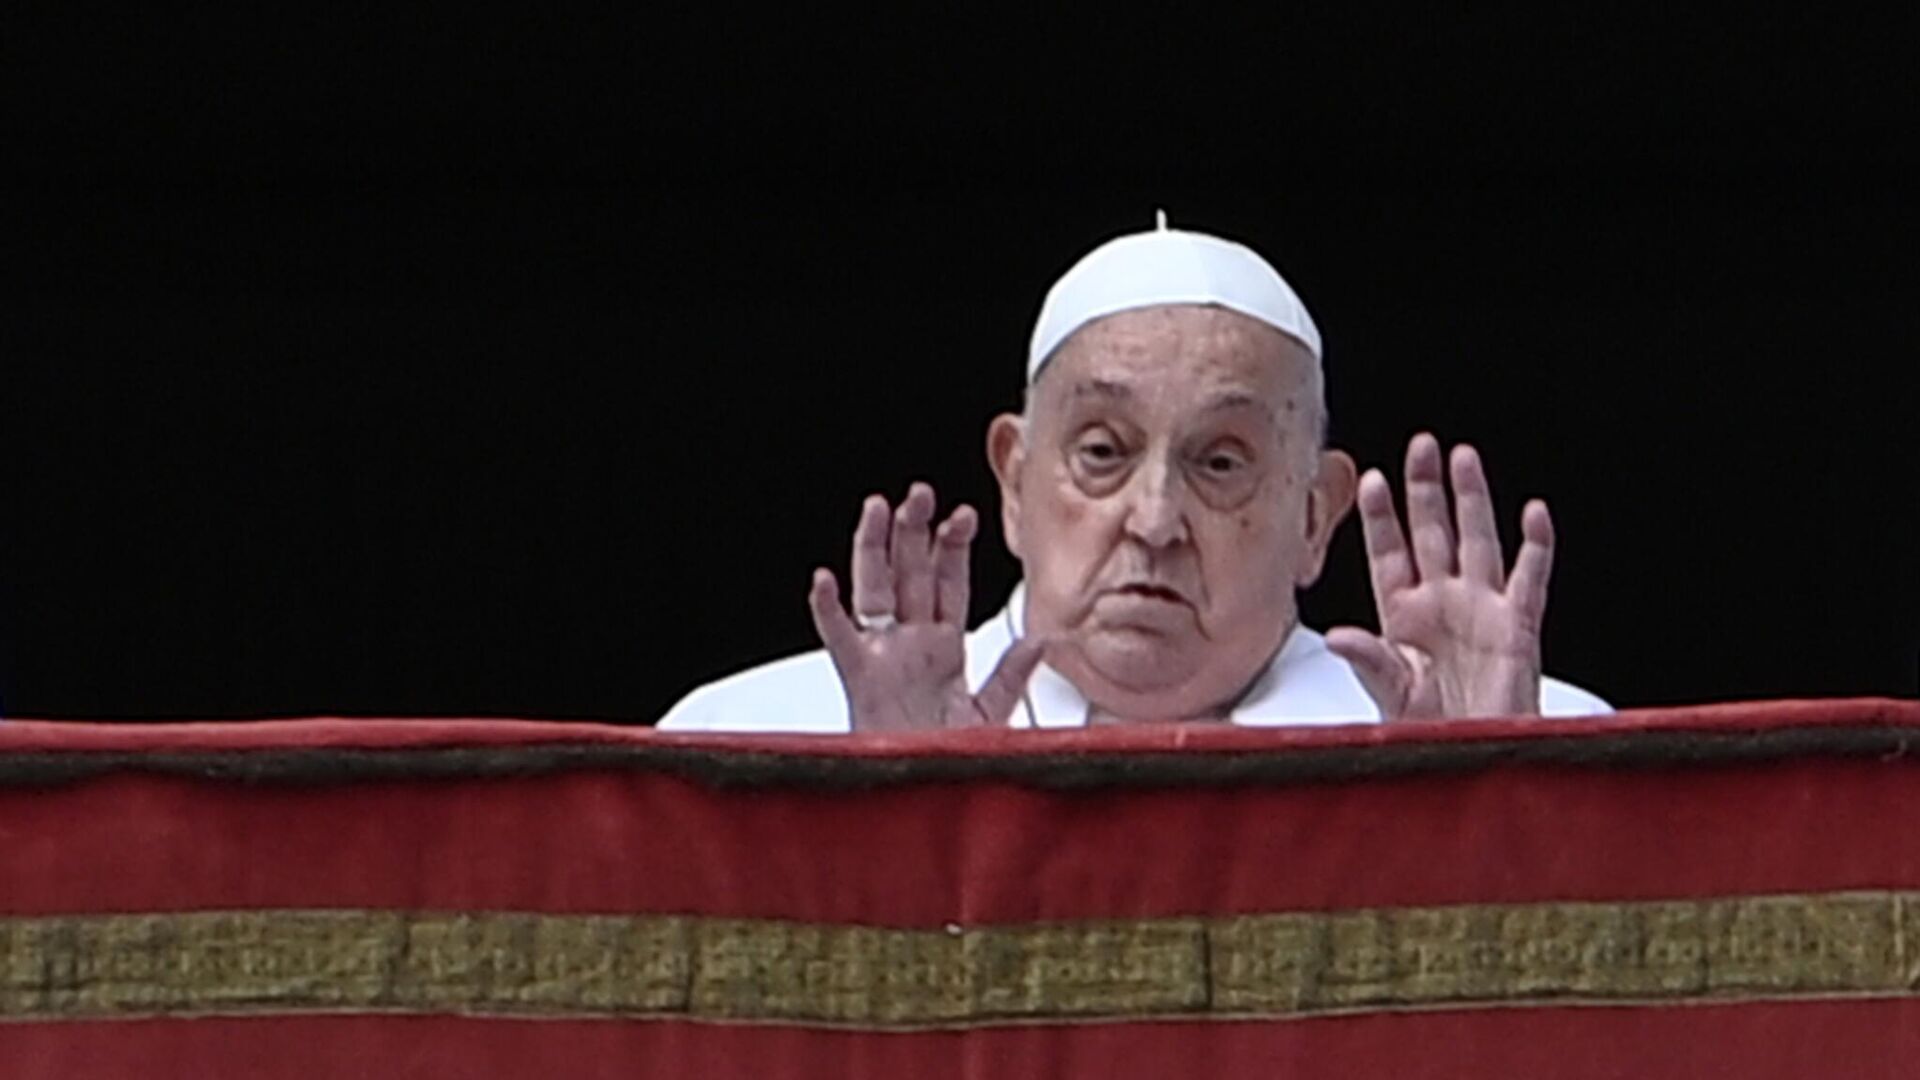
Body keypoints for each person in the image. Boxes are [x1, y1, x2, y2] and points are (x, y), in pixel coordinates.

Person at [658, 215, 1610, 732]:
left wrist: (1489, 805)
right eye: (1103, 453)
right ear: (1015, 482)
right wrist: (901, 815)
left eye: (1220, 461)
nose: (1154, 520)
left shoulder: (1531, 739)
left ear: (1316, 517)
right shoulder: (757, 741)